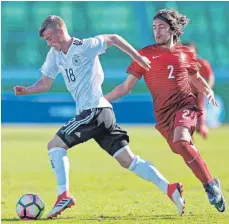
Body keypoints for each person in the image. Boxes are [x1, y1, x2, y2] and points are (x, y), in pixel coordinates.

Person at [14, 15, 185, 219]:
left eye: (50, 38)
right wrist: (27, 90)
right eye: (46, 40)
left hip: (94, 110)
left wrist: (138, 58)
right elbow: (45, 83)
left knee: (54, 145)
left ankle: (63, 195)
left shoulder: (85, 46)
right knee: (128, 160)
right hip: (102, 113)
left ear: (60, 31)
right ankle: (170, 188)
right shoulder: (54, 54)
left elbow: (113, 38)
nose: (49, 43)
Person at [105, 9, 226, 213]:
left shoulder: (185, 53)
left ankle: (210, 187)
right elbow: (125, 87)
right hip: (163, 115)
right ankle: (211, 181)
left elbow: (195, 78)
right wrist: (102, 100)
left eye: (161, 27)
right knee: (180, 147)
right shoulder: (144, 54)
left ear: (173, 30)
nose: (157, 31)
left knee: (181, 140)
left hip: (185, 105)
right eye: (154, 27)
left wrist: (207, 90)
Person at [183, 42, 215, 138]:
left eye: (190, 51)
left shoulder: (201, 63)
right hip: (186, 93)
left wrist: (207, 89)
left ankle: (201, 127)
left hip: (198, 92)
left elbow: (210, 77)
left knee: (200, 108)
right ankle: (189, 134)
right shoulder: (180, 64)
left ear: (195, 52)